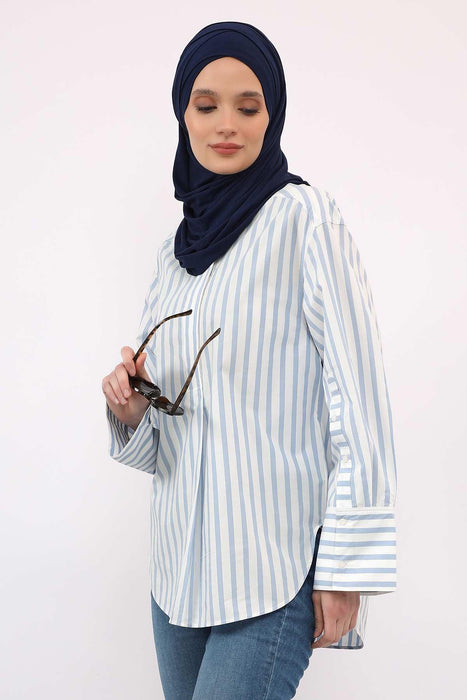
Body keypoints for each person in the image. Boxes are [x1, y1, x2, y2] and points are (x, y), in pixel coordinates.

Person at [102, 21, 397, 700]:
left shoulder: (305, 220)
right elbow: (168, 441)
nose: (226, 124)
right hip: (178, 569)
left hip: (272, 565)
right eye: (206, 105)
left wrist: (345, 569)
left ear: (273, 114)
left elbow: (358, 401)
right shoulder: (174, 255)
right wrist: (133, 408)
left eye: (248, 105)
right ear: (183, 115)